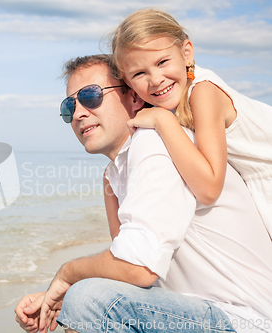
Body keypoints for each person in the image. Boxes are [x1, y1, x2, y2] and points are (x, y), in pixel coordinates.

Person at [14, 54, 272, 333]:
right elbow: (125, 274)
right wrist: (58, 299)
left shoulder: (155, 143)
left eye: (90, 96)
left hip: (243, 319)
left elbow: (138, 268)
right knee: (82, 302)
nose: (78, 114)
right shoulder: (113, 175)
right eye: (69, 106)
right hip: (197, 312)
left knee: (89, 299)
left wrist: (67, 275)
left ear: (135, 99)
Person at [109, 8, 272, 237]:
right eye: (139, 74)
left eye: (163, 62)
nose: (155, 80)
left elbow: (209, 189)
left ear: (187, 53)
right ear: (127, 81)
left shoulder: (203, 92)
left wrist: (162, 120)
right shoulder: (176, 98)